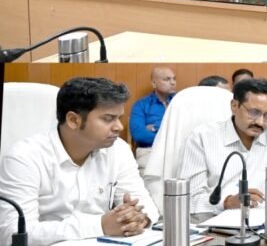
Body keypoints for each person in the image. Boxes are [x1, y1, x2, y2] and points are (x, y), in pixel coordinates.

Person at [0, 76, 158, 243]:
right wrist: (99, 225)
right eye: (108, 118)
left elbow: (145, 206)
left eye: (119, 118)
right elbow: (13, 234)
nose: (119, 126)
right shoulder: (25, 157)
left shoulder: (118, 149)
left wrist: (139, 219)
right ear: (73, 120)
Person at [178, 77, 267, 213]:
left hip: (266, 218)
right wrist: (227, 203)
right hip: (216, 220)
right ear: (234, 106)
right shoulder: (202, 137)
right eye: (254, 112)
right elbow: (190, 199)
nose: (260, 122)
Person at [128, 66, 176, 173]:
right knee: (149, 177)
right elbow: (139, 135)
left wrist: (155, 127)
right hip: (150, 151)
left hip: (177, 150)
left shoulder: (181, 102)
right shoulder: (141, 105)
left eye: (174, 78)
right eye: (167, 79)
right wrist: (170, 134)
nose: (173, 82)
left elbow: (187, 129)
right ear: (154, 83)